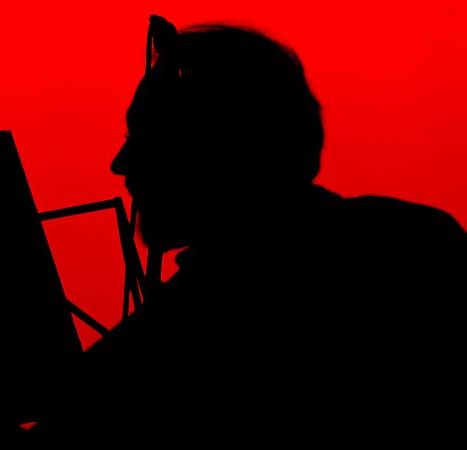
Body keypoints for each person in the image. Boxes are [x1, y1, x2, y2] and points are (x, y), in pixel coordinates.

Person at [33, 16, 466, 446]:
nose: (121, 163)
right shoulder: (419, 239)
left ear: (215, 147)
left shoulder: (186, 331)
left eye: (146, 138)